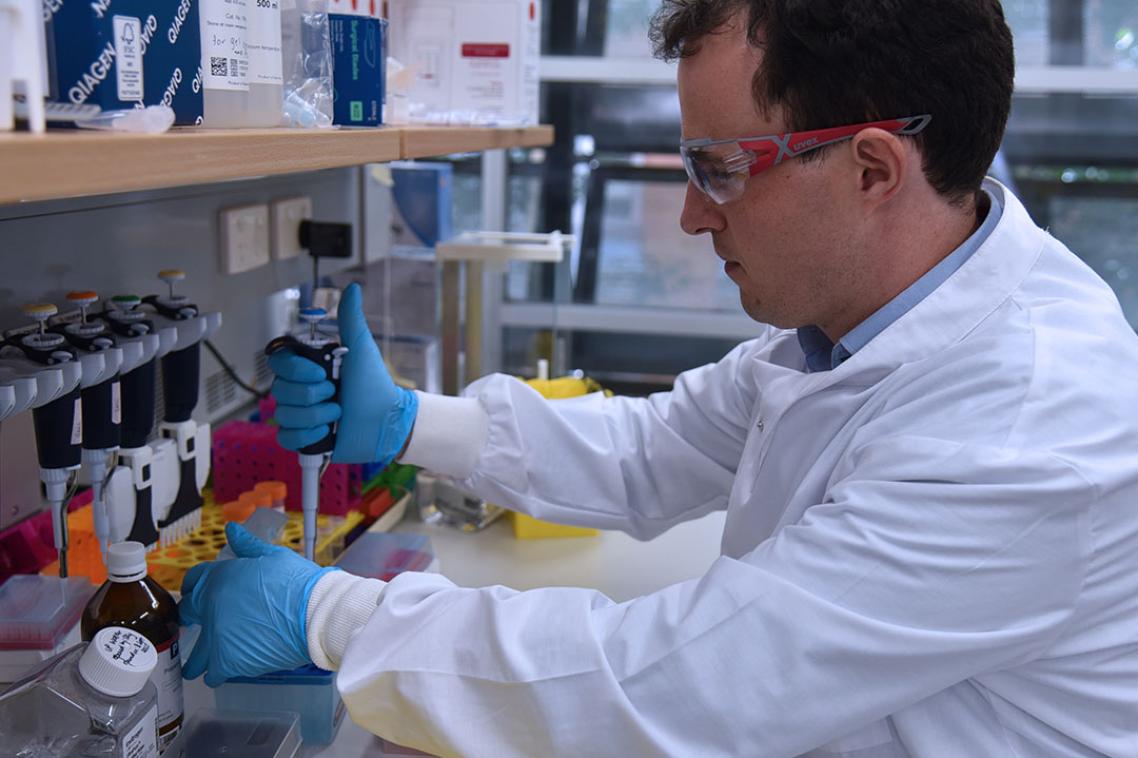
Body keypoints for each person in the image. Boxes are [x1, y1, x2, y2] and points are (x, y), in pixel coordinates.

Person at [178, 1, 1138, 755]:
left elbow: (678, 689)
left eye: (720, 167)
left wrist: (334, 615)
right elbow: (655, 446)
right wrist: (411, 425)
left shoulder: (1023, 429)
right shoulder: (859, 325)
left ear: (874, 170)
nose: (690, 215)